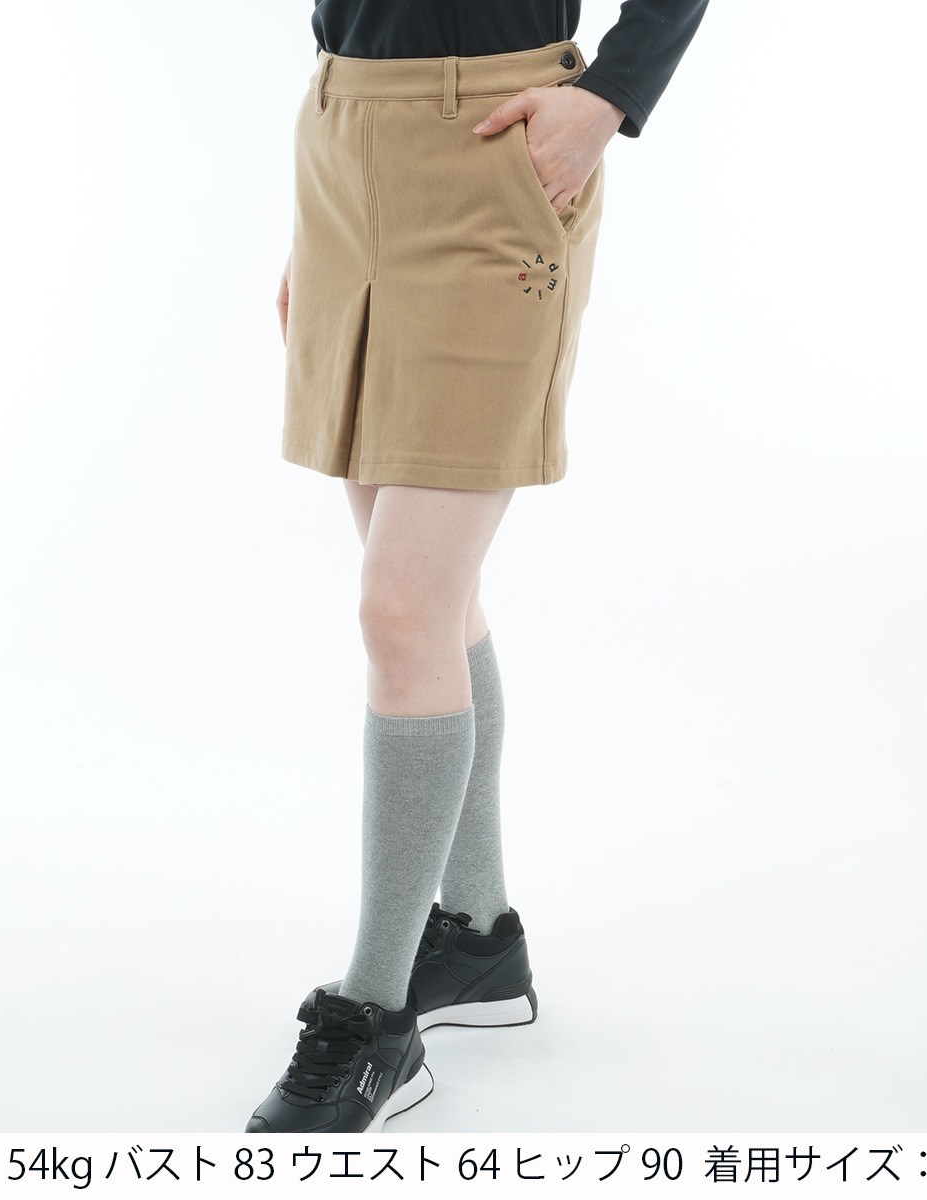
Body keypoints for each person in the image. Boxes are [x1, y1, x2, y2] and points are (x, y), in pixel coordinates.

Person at [246, 1, 710, 1134]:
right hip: (345, 140)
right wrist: (334, 194)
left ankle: (376, 1013)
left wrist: (611, 95)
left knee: (401, 608)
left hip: (499, 143)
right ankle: (478, 940)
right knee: (430, 604)